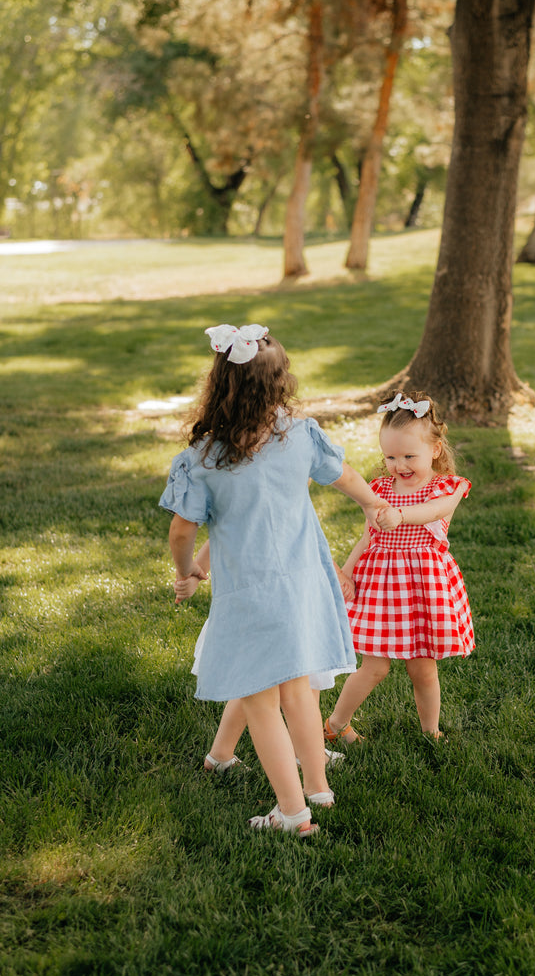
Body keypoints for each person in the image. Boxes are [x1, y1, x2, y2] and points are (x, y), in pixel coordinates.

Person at [160, 323, 391, 837]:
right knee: (299, 689)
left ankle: (293, 814)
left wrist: (186, 569)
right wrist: (373, 503)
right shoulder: (299, 436)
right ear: (280, 384)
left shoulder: (202, 460)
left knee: (260, 699)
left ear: (218, 383)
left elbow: (182, 529)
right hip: (304, 583)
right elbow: (346, 476)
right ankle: (317, 790)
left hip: (251, 594)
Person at [324, 391, 474, 744]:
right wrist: (345, 574)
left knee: (423, 667)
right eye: (391, 456)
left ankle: (431, 731)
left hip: (424, 586)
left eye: (409, 455)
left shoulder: (446, 487)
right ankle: (335, 725)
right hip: (381, 586)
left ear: (435, 450)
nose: (399, 465)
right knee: (374, 667)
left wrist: (401, 515)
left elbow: (435, 512)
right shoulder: (378, 489)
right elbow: (366, 540)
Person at [173, 541, 347, 774]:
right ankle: (307, 753)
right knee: (301, 681)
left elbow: (219, 536)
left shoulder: (246, 506)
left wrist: (194, 571)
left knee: (258, 683)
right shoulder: (277, 506)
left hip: (267, 597)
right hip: (283, 597)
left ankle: (220, 755)